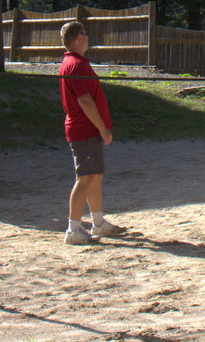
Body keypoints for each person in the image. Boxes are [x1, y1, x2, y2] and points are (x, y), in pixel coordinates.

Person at [59, 20, 127, 245]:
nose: (88, 38)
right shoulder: (76, 64)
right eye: (86, 34)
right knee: (85, 178)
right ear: (79, 37)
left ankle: (98, 224)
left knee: (94, 177)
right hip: (84, 129)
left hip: (87, 130)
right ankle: (73, 229)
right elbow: (85, 100)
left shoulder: (75, 62)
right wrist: (102, 128)